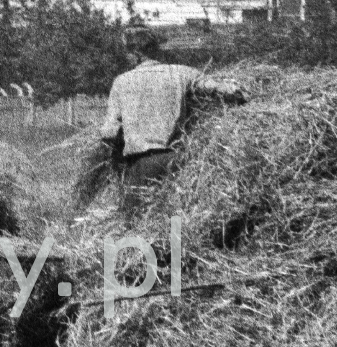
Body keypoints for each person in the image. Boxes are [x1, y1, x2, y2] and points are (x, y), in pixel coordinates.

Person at [88, 28, 232, 215]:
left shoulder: (122, 82)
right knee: (178, 219)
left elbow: (110, 133)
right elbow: (219, 89)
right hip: (179, 162)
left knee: (136, 223)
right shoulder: (183, 74)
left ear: (134, 54)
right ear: (155, 49)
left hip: (142, 165)